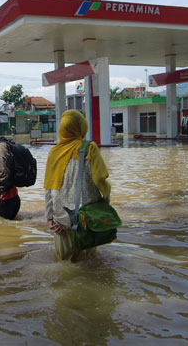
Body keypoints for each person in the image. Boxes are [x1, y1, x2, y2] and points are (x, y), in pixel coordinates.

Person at [44, 109, 111, 261]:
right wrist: (106, 203)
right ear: (81, 127)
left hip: (60, 222)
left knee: (65, 265)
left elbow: (48, 188)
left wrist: (49, 218)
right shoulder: (89, 148)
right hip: (86, 220)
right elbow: (101, 180)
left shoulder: (53, 153)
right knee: (89, 264)